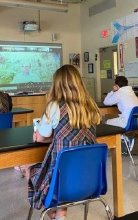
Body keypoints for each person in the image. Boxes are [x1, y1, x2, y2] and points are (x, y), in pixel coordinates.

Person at [27, 64, 101, 220]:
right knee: (69, 164)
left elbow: (40, 137)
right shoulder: (91, 106)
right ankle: (61, 213)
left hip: (59, 185)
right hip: (89, 181)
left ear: (57, 85)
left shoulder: (54, 106)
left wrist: (41, 135)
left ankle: (55, 213)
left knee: (29, 167)